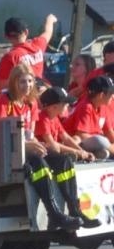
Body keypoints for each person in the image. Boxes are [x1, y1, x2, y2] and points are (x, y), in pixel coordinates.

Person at [0, 67, 74, 230]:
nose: (27, 85)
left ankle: (74, 210)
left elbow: (30, 134)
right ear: (13, 82)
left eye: (29, 81)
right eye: (22, 81)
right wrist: (29, 146)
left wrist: (38, 145)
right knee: (39, 163)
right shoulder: (2, 103)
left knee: (63, 161)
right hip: (5, 153)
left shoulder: (31, 103)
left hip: (25, 148)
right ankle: (53, 213)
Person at [35, 86, 99, 227]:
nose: (67, 106)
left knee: (67, 161)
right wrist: (77, 152)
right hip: (43, 157)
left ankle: (75, 209)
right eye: (64, 103)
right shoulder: (43, 118)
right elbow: (53, 146)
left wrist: (82, 151)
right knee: (64, 161)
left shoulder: (54, 118)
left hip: (54, 156)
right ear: (53, 107)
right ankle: (71, 209)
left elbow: (66, 137)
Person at [0, 13, 58, 88]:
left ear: (6, 36)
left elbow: (1, 86)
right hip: (43, 90)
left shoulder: (9, 57)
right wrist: (50, 19)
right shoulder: (37, 45)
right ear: (26, 32)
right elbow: (48, 32)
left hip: (25, 96)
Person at [63, 74, 114, 158]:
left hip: (91, 142)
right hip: (74, 142)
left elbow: (108, 131)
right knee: (101, 141)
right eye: (110, 94)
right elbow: (81, 135)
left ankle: (98, 153)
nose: (112, 96)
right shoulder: (86, 106)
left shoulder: (103, 106)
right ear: (101, 95)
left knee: (103, 143)